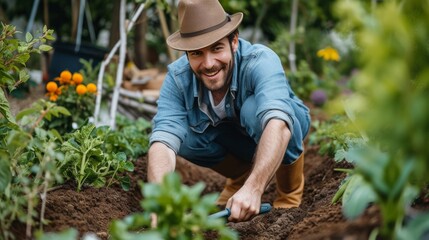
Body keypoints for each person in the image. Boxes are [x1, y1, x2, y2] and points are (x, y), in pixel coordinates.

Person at [147, 0, 311, 222]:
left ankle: (289, 193)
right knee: (183, 137)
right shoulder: (178, 78)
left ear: (233, 41)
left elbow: (279, 122)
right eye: (196, 53)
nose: (208, 64)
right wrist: (160, 204)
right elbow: (163, 142)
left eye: (216, 48)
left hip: (283, 126)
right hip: (237, 138)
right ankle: (240, 175)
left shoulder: (259, 61)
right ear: (186, 54)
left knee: (255, 111)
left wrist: (254, 189)